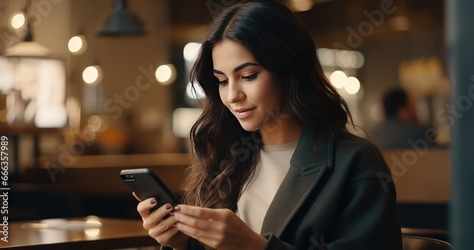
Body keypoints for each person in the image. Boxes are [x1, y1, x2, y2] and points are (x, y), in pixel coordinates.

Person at [135, 1, 402, 249]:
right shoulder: (227, 155)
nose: (232, 96)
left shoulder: (356, 163)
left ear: (289, 70)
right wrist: (184, 243)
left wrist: (256, 247)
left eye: (248, 75)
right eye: (222, 80)